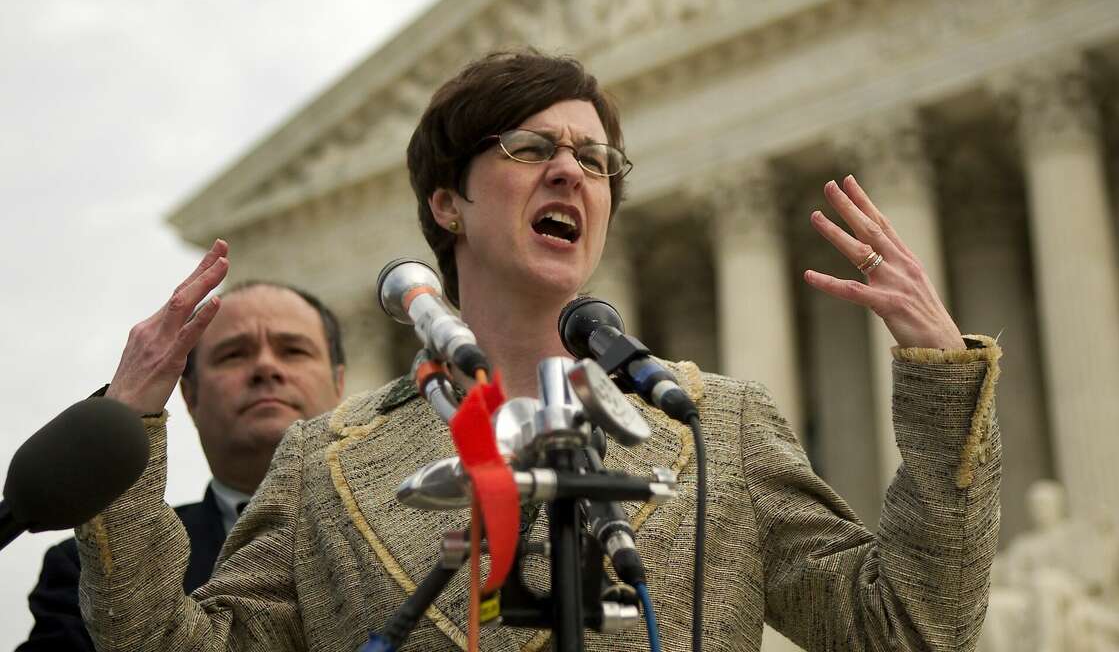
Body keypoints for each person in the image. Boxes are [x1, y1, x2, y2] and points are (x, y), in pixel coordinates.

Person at [75, 49, 1002, 652]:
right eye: (530, 147)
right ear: (448, 203)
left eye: (596, 161)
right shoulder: (325, 463)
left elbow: (911, 627)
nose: (572, 171)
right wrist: (128, 430)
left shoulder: (715, 425)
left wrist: (939, 382)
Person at [20, 278, 346, 651]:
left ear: (339, 384)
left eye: (293, 350)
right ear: (190, 397)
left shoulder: (420, 523)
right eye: (234, 354)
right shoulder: (87, 573)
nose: (266, 367)